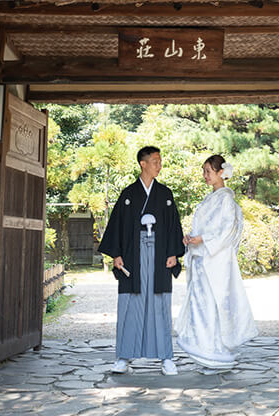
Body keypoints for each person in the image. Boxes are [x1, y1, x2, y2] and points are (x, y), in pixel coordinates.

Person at [98, 145, 185, 375]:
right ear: (143, 164)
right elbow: (116, 225)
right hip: (132, 255)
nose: (159, 165)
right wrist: (116, 254)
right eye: (155, 161)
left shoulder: (165, 194)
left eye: (160, 161)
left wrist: (173, 253)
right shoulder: (128, 194)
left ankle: (166, 357)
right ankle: (123, 357)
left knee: (160, 304)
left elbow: (173, 225)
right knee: (130, 305)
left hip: (159, 254)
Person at [176, 153, 259, 370]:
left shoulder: (226, 200)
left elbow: (226, 231)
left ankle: (217, 352)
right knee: (202, 306)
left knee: (215, 306)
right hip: (202, 260)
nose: (205, 176)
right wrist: (191, 237)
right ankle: (206, 352)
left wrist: (202, 238)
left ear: (221, 172)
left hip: (217, 262)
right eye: (203, 171)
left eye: (208, 171)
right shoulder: (209, 199)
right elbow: (203, 228)